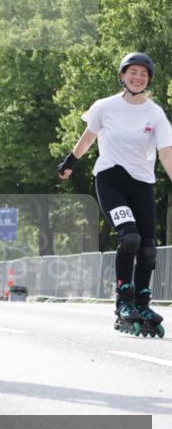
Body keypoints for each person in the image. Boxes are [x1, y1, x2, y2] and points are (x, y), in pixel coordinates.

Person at [58, 52, 172, 336]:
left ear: (148, 80)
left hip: (142, 184)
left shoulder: (155, 113)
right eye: (132, 72)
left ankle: (143, 302)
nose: (137, 77)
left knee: (148, 248)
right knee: (129, 237)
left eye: (143, 74)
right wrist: (70, 162)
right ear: (122, 76)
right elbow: (88, 137)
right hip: (110, 180)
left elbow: (167, 154)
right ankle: (123, 299)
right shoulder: (105, 107)